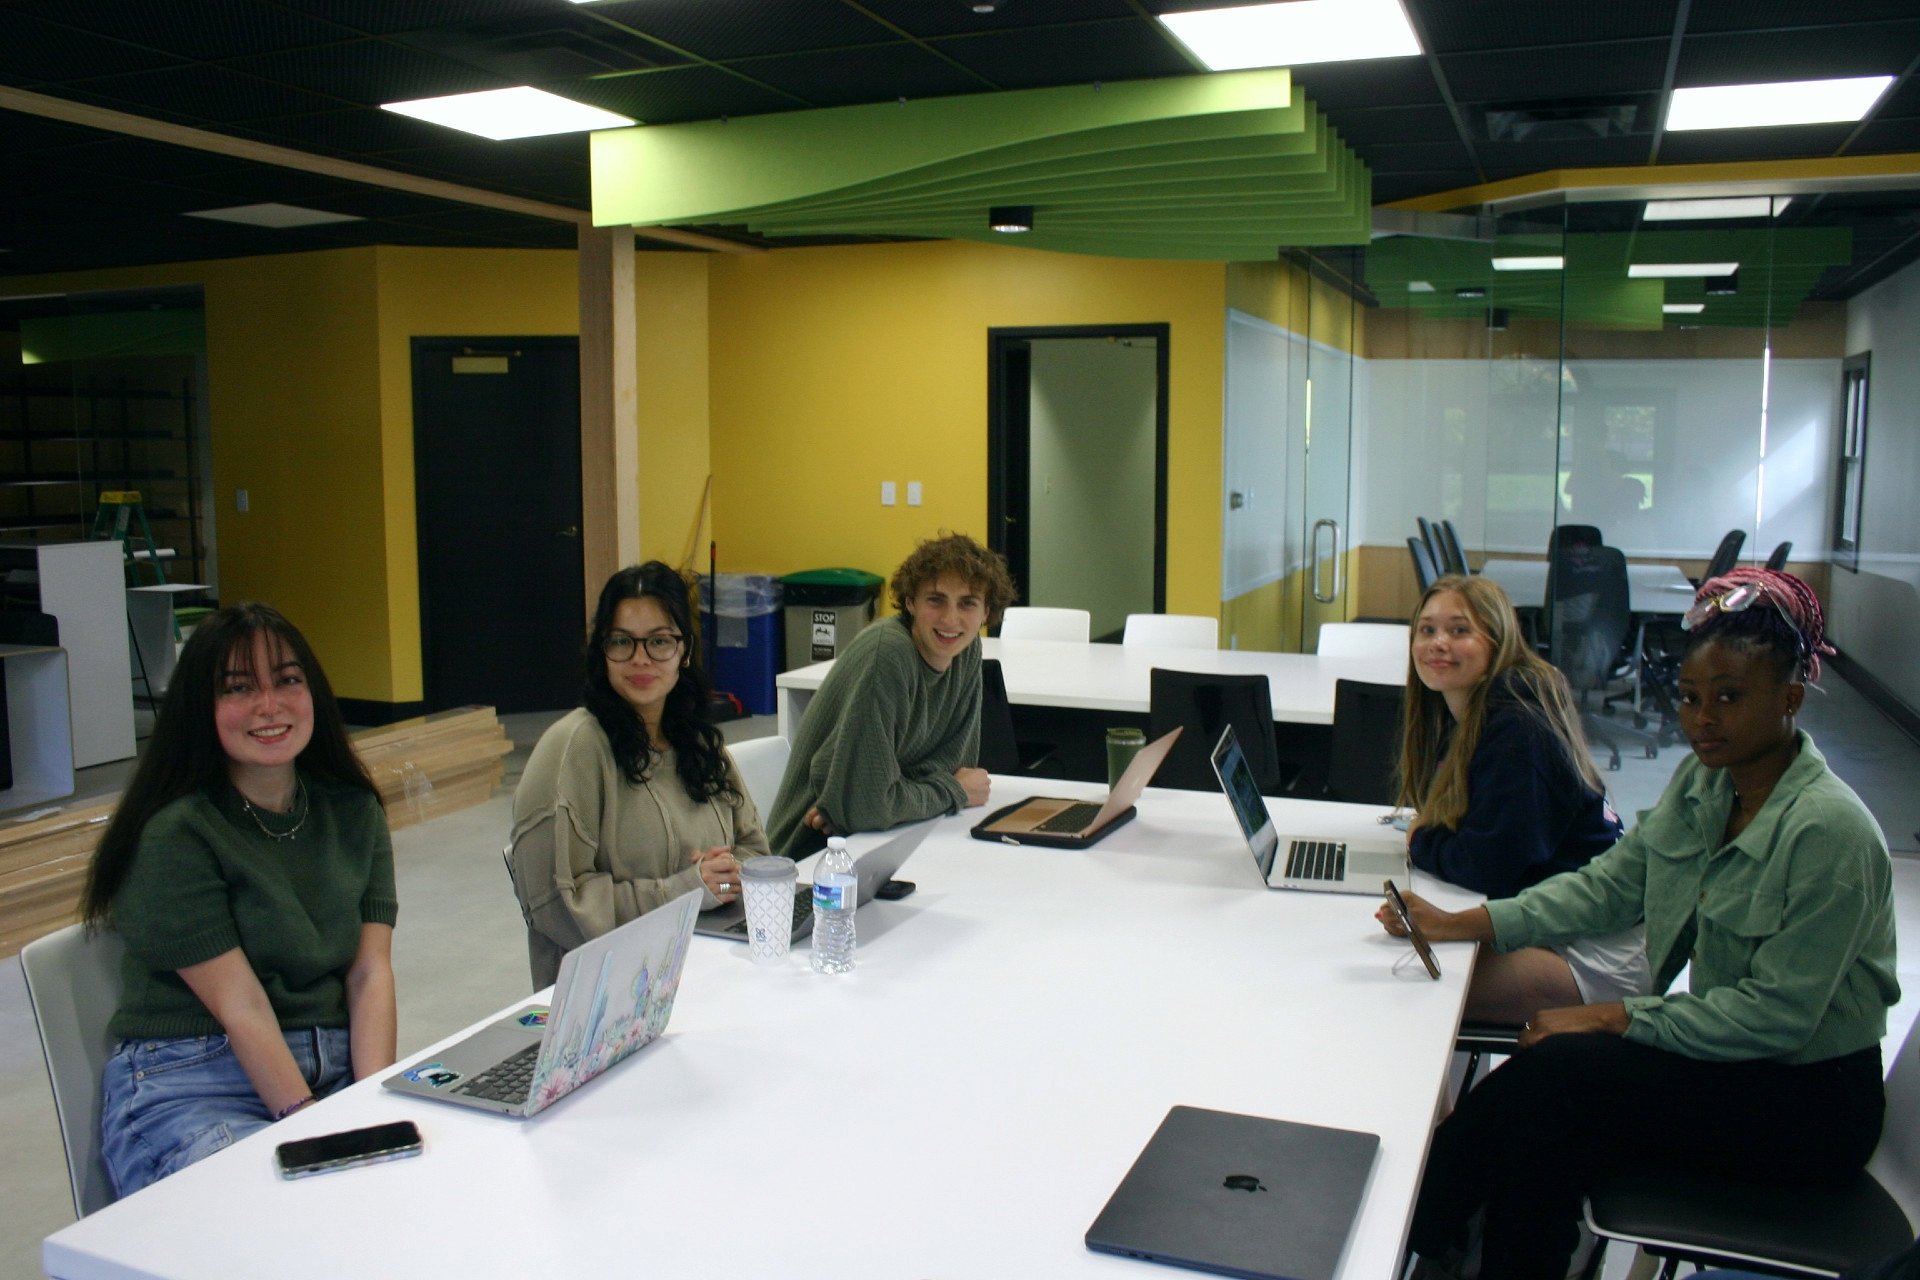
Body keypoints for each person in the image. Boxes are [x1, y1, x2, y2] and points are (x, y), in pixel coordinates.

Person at [1383, 568, 1900, 1279]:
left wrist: (1610, 1019)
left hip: (1805, 1104)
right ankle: (1442, 1238)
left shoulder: (1828, 833)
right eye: (1689, 698)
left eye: (1729, 698)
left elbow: (1778, 1017)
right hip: (1733, 1061)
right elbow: (1607, 889)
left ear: (1789, 699)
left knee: (1555, 1084)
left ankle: (1422, 1227)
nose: (1702, 720)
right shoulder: (1707, 783)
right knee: (1548, 1109)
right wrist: (1467, 921)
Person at [84, 604, 398, 1197]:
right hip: (193, 1085)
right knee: (290, 1213)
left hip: (331, 1071)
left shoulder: (354, 811)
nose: (269, 705)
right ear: (200, 710)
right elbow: (242, 1006)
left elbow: (369, 972)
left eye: (287, 679)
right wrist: (312, 1131)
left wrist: (369, 1106)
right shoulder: (176, 833)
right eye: (238, 687)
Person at [1397, 573, 1646, 1024]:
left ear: (1498, 641)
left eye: (1459, 630)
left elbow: (1486, 862)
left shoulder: (1518, 729)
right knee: (1406, 962)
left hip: (1597, 949)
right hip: (1553, 919)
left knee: (1407, 993)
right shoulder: (1473, 709)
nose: (1437, 643)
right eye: (1427, 629)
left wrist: (1421, 841)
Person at [509, 562, 770, 988]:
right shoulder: (574, 748)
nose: (640, 659)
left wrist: (724, 875)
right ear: (602, 651)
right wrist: (684, 890)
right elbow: (558, 905)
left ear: (684, 651)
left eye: (660, 642)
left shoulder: (698, 742)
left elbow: (756, 852)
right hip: (612, 994)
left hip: (711, 964)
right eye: (622, 642)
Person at [767, 532, 1015, 858]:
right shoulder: (889, 653)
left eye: (967, 603)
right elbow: (878, 803)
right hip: (812, 859)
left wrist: (872, 802)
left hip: (887, 837)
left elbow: (955, 765)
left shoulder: (966, 651)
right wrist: (951, 791)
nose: (950, 620)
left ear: (986, 613)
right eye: (935, 600)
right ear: (910, 601)